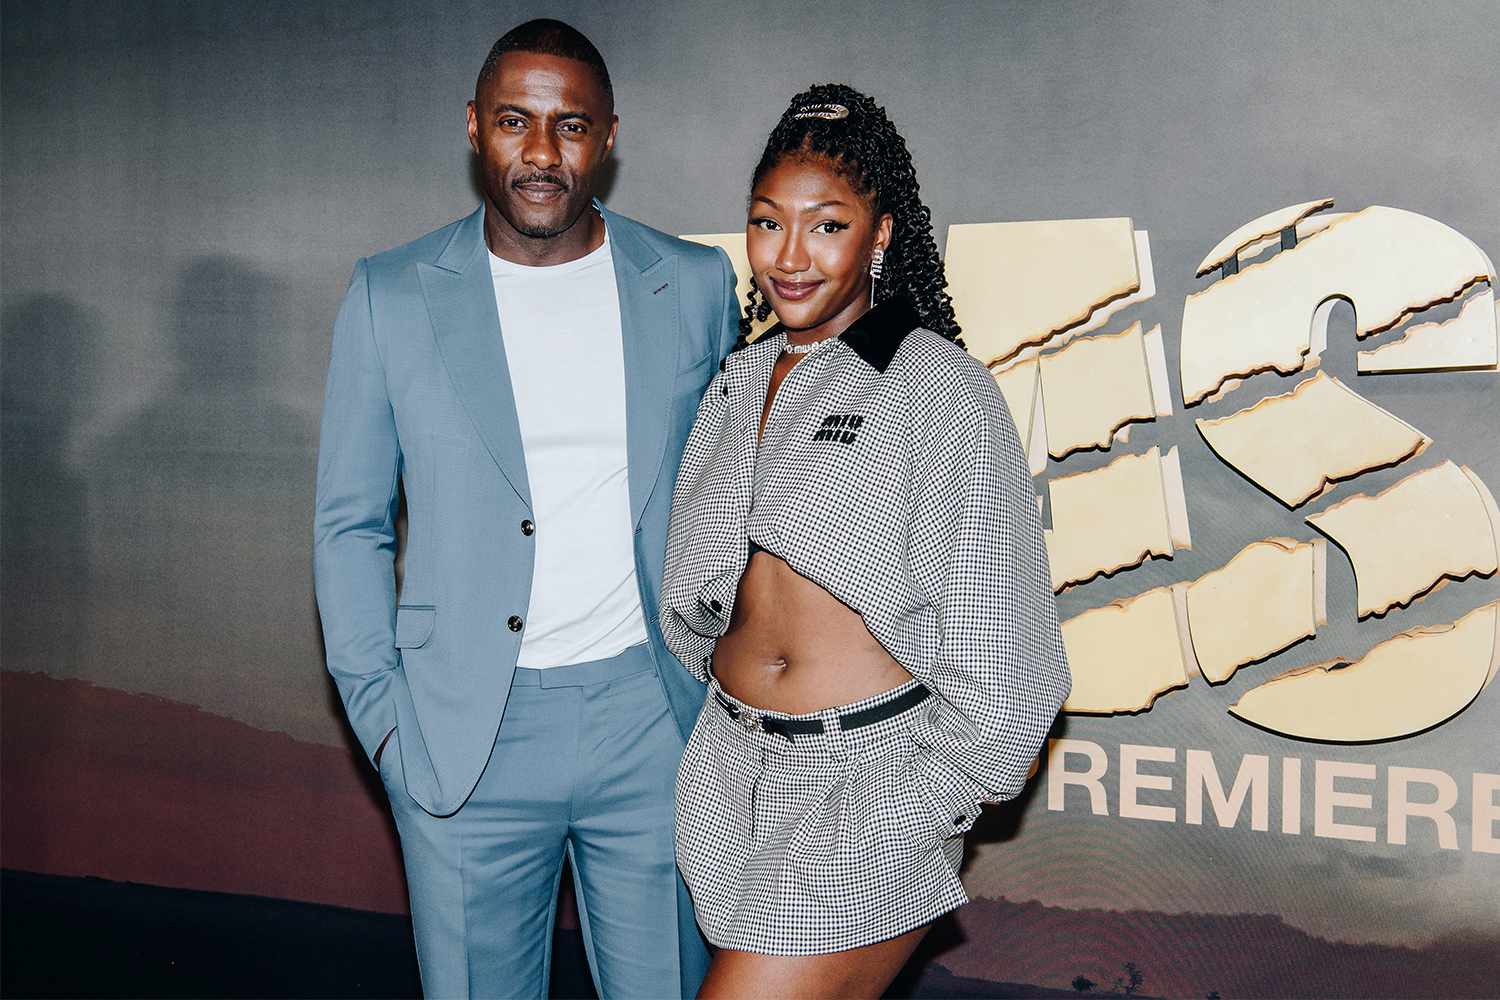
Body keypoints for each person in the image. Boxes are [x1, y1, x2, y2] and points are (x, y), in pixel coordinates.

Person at [313, 18, 736, 999]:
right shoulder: (391, 295)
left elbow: (732, 500)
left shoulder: (693, 284)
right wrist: (387, 723)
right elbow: (349, 524)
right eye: (515, 121)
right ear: (475, 126)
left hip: (654, 723)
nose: (542, 152)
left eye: (570, 126)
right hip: (466, 735)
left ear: (608, 136)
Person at [661, 84, 1071, 998]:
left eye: (827, 226)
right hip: (727, 776)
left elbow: (1006, 655)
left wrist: (916, 803)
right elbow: (702, 589)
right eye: (767, 223)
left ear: (880, 235)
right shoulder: (740, 378)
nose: (789, 255)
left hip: (864, 788)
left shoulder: (937, 388)